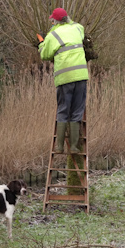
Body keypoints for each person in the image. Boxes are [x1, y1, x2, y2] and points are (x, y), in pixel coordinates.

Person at [38, 8, 89, 154]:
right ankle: (74, 147)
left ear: (54, 21)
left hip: (64, 78)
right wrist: (67, 20)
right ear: (67, 18)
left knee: (63, 110)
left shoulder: (52, 35)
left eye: (52, 20)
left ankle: (59, 147)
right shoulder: (77, 28)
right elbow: (78, 26)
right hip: (80, 75)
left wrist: (41, 44)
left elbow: (45, 55)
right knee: (77, 110)